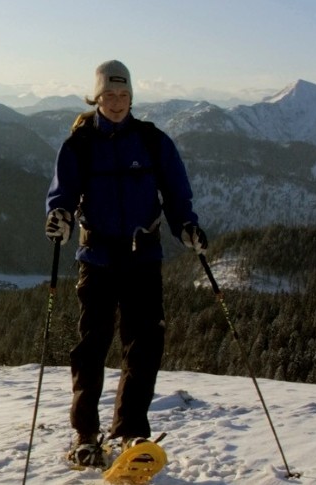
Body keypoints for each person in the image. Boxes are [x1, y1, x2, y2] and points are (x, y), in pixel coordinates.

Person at [44, 60, 207, 468]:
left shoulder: (153, 142)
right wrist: (60, 216)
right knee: (91, 346)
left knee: (144, 346)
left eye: (123, 95)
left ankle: (131, 433)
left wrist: (187, 226)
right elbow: (62, 194)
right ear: (96, 98)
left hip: (143, 257)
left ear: (132, 97)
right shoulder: (80, 145)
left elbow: (176, 194)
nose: (117, 103)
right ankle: (85, 435)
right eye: (109, 95)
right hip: (97, 257)